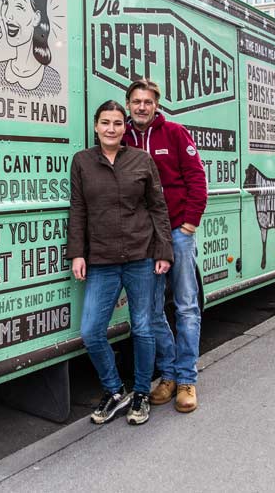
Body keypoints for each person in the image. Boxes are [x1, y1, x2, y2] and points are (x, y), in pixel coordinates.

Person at [68, 100, 173, 426]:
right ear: (96, 126)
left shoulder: (142, 161)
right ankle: (116, 391)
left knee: (142, 328)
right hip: (101, 260)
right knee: (91, 331)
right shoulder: (82, 162)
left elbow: (158, 208)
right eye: (105, 123)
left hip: (141, 258)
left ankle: (141, 392)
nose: (111, 128)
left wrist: (164, 251)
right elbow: (78, 210)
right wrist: (77, 253)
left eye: (117, 123)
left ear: (124, 127)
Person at [123, 78, 208, 413]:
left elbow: (196, 178)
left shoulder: (174, 133)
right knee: (153, 311)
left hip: (176, 232)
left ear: (156, 105)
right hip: (144, 239)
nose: (142, 107)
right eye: (136, 101)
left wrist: (188, 224)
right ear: (128, 104)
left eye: (148, 101)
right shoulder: (123, 138)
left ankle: (187, 380)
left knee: (186, 306)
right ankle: (169, 375)